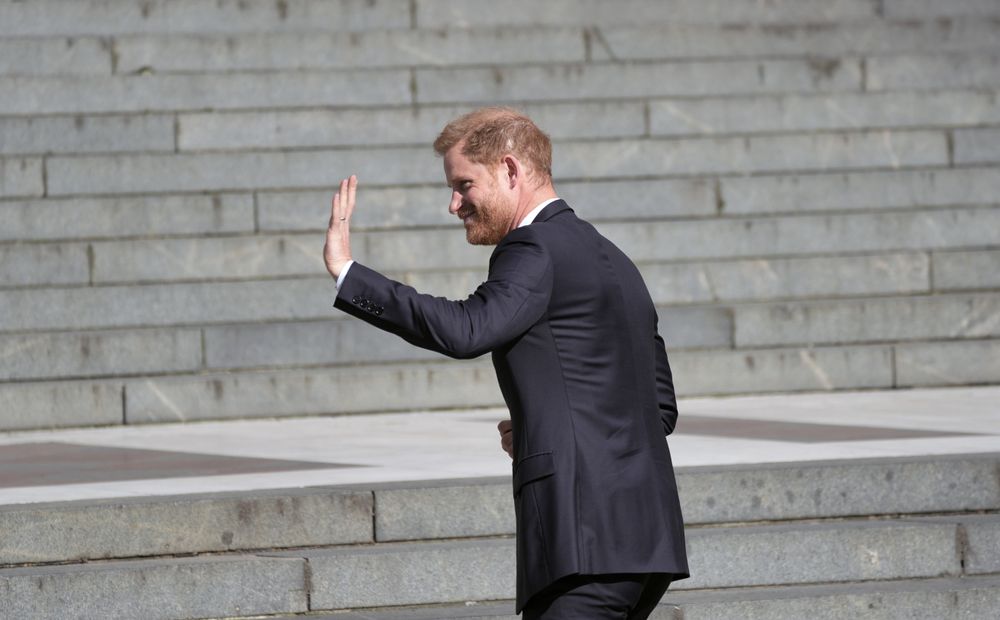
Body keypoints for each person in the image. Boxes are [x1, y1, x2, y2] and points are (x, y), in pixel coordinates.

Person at [323, 107, 689, 619]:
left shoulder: (533, 246)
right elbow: (658, 408)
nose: (454, 204)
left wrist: (348, 273)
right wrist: (548, 424)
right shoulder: (613, 258)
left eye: (464, 184)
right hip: (647, 542)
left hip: (584, 540)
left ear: (511, 170)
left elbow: (468, 329)